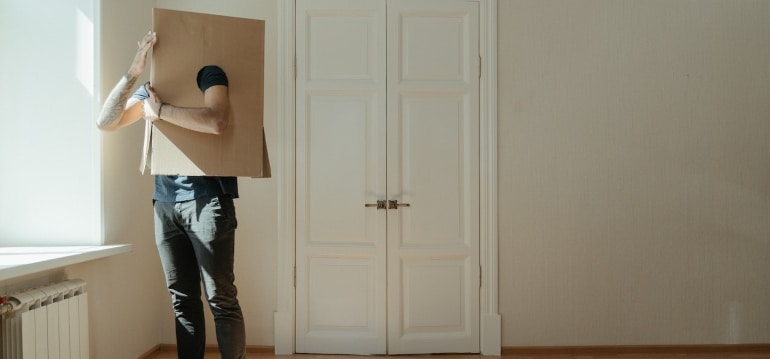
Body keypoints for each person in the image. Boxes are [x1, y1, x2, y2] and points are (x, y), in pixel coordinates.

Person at [96, 31, 246, 359]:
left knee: (220, 298)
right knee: (182, 299)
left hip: (208, 199)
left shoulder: (209, 73)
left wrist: (161, 111)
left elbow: (217, 121)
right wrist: (133, 72)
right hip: (165, 203)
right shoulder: (151, 89)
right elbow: (106, 122)